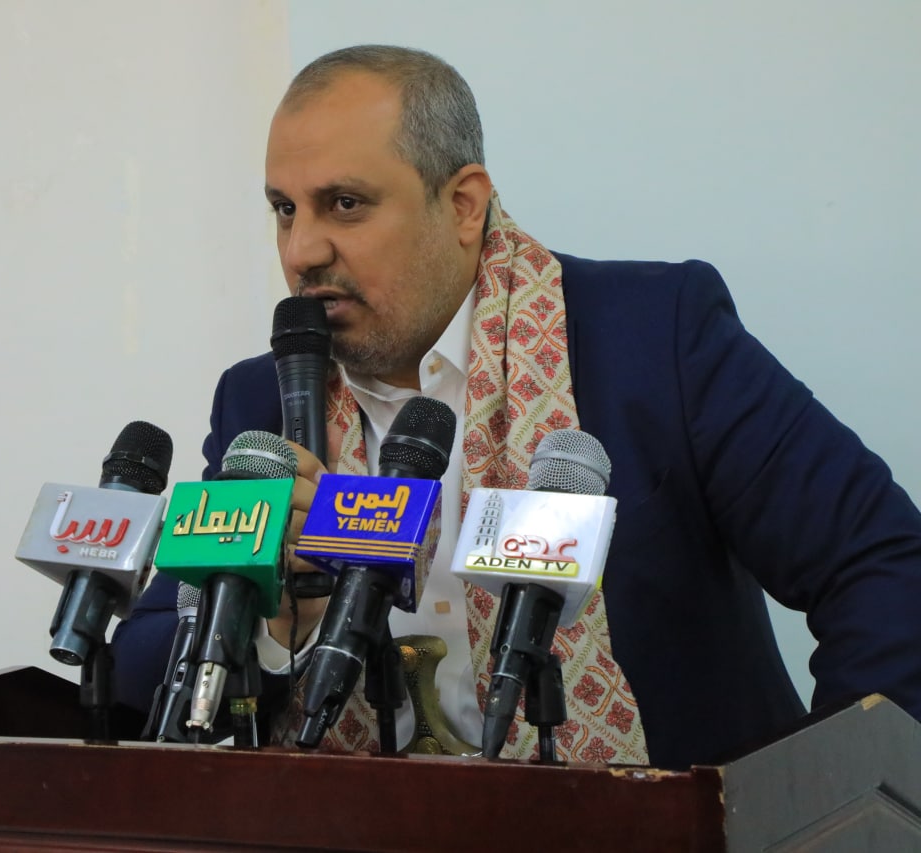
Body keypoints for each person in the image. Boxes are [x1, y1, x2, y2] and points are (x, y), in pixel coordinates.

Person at [111, 45, 921, 770]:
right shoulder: (263, 399)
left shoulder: (654, 339)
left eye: (345, 204)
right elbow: (141, 666)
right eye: (285, 209)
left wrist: (829, 804)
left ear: (464, 204)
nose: (301, 250)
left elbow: (882, 564)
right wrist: (273, 620)